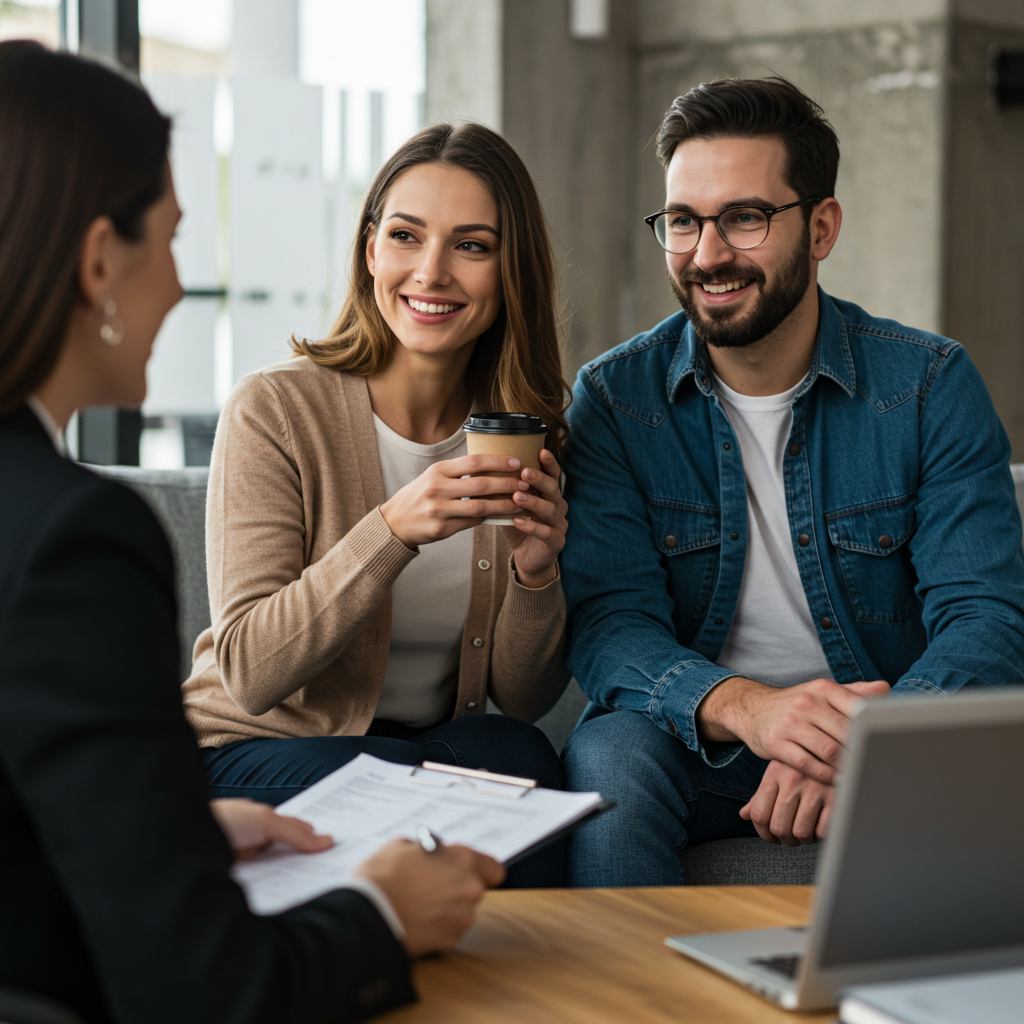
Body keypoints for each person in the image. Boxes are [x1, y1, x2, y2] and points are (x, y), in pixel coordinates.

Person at [0, 41, 505, 1024]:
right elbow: (204, 990)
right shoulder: (76, 539)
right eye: (174, 241)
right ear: (102, 258)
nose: (181, 289)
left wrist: (172, 837)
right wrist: (376, 909)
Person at [560, 76, 1024, 887]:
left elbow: (987, 617)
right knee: (610, 758)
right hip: (701, 740)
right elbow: (608, 623)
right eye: (682, 222)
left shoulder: (927, 386)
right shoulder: (614, 399)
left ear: (820, 227)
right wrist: (756, 712)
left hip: (892, 725)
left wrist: (856, 747)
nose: (707, 255)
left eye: (744, 218)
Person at [181, 122, 571, 886]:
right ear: (370, 252)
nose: (431, 272)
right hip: (244, 752)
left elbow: (521, 699)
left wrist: (535, 575)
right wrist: (392, 530)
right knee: (394, 772)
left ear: (510, 269)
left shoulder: (527, 433)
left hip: (417, 749)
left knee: (523, 758)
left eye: (472, 245)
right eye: (405, 235)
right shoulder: (276, 410)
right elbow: (252, 672)